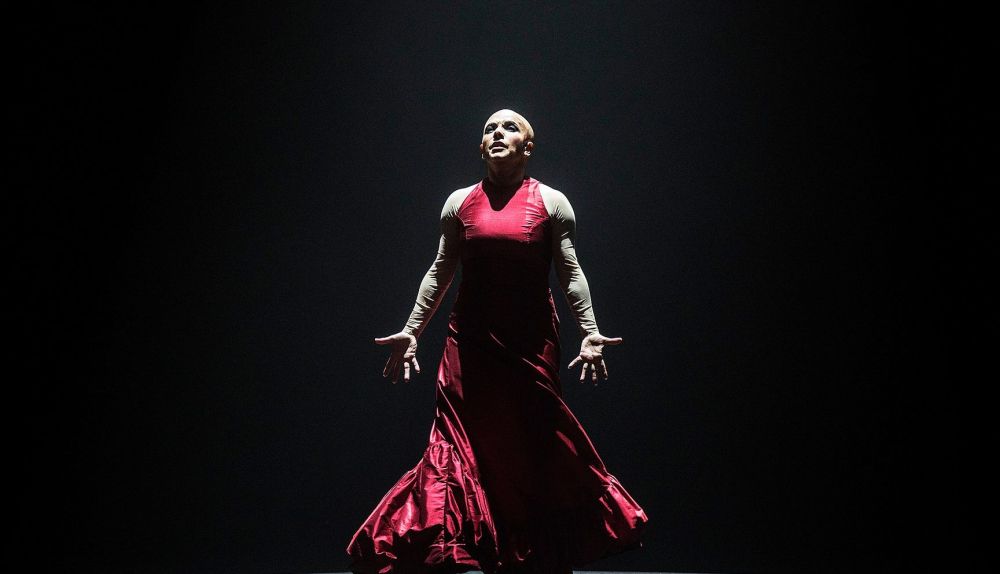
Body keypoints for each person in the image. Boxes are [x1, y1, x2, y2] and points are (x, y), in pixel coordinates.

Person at [346, 110, 647, 573]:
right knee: (457, 445)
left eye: (510, 127)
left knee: (531, 443)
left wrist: (589, 332)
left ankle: (532, 553)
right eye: (490, 129)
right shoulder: (459, 202)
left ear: (528, 147)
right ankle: (449, 547)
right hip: (468, 346)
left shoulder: (551, 201)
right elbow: (441, 270)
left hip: (529, 345)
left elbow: (569, 270)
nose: (498, 133)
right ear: (482, 147)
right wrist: (412, 330)